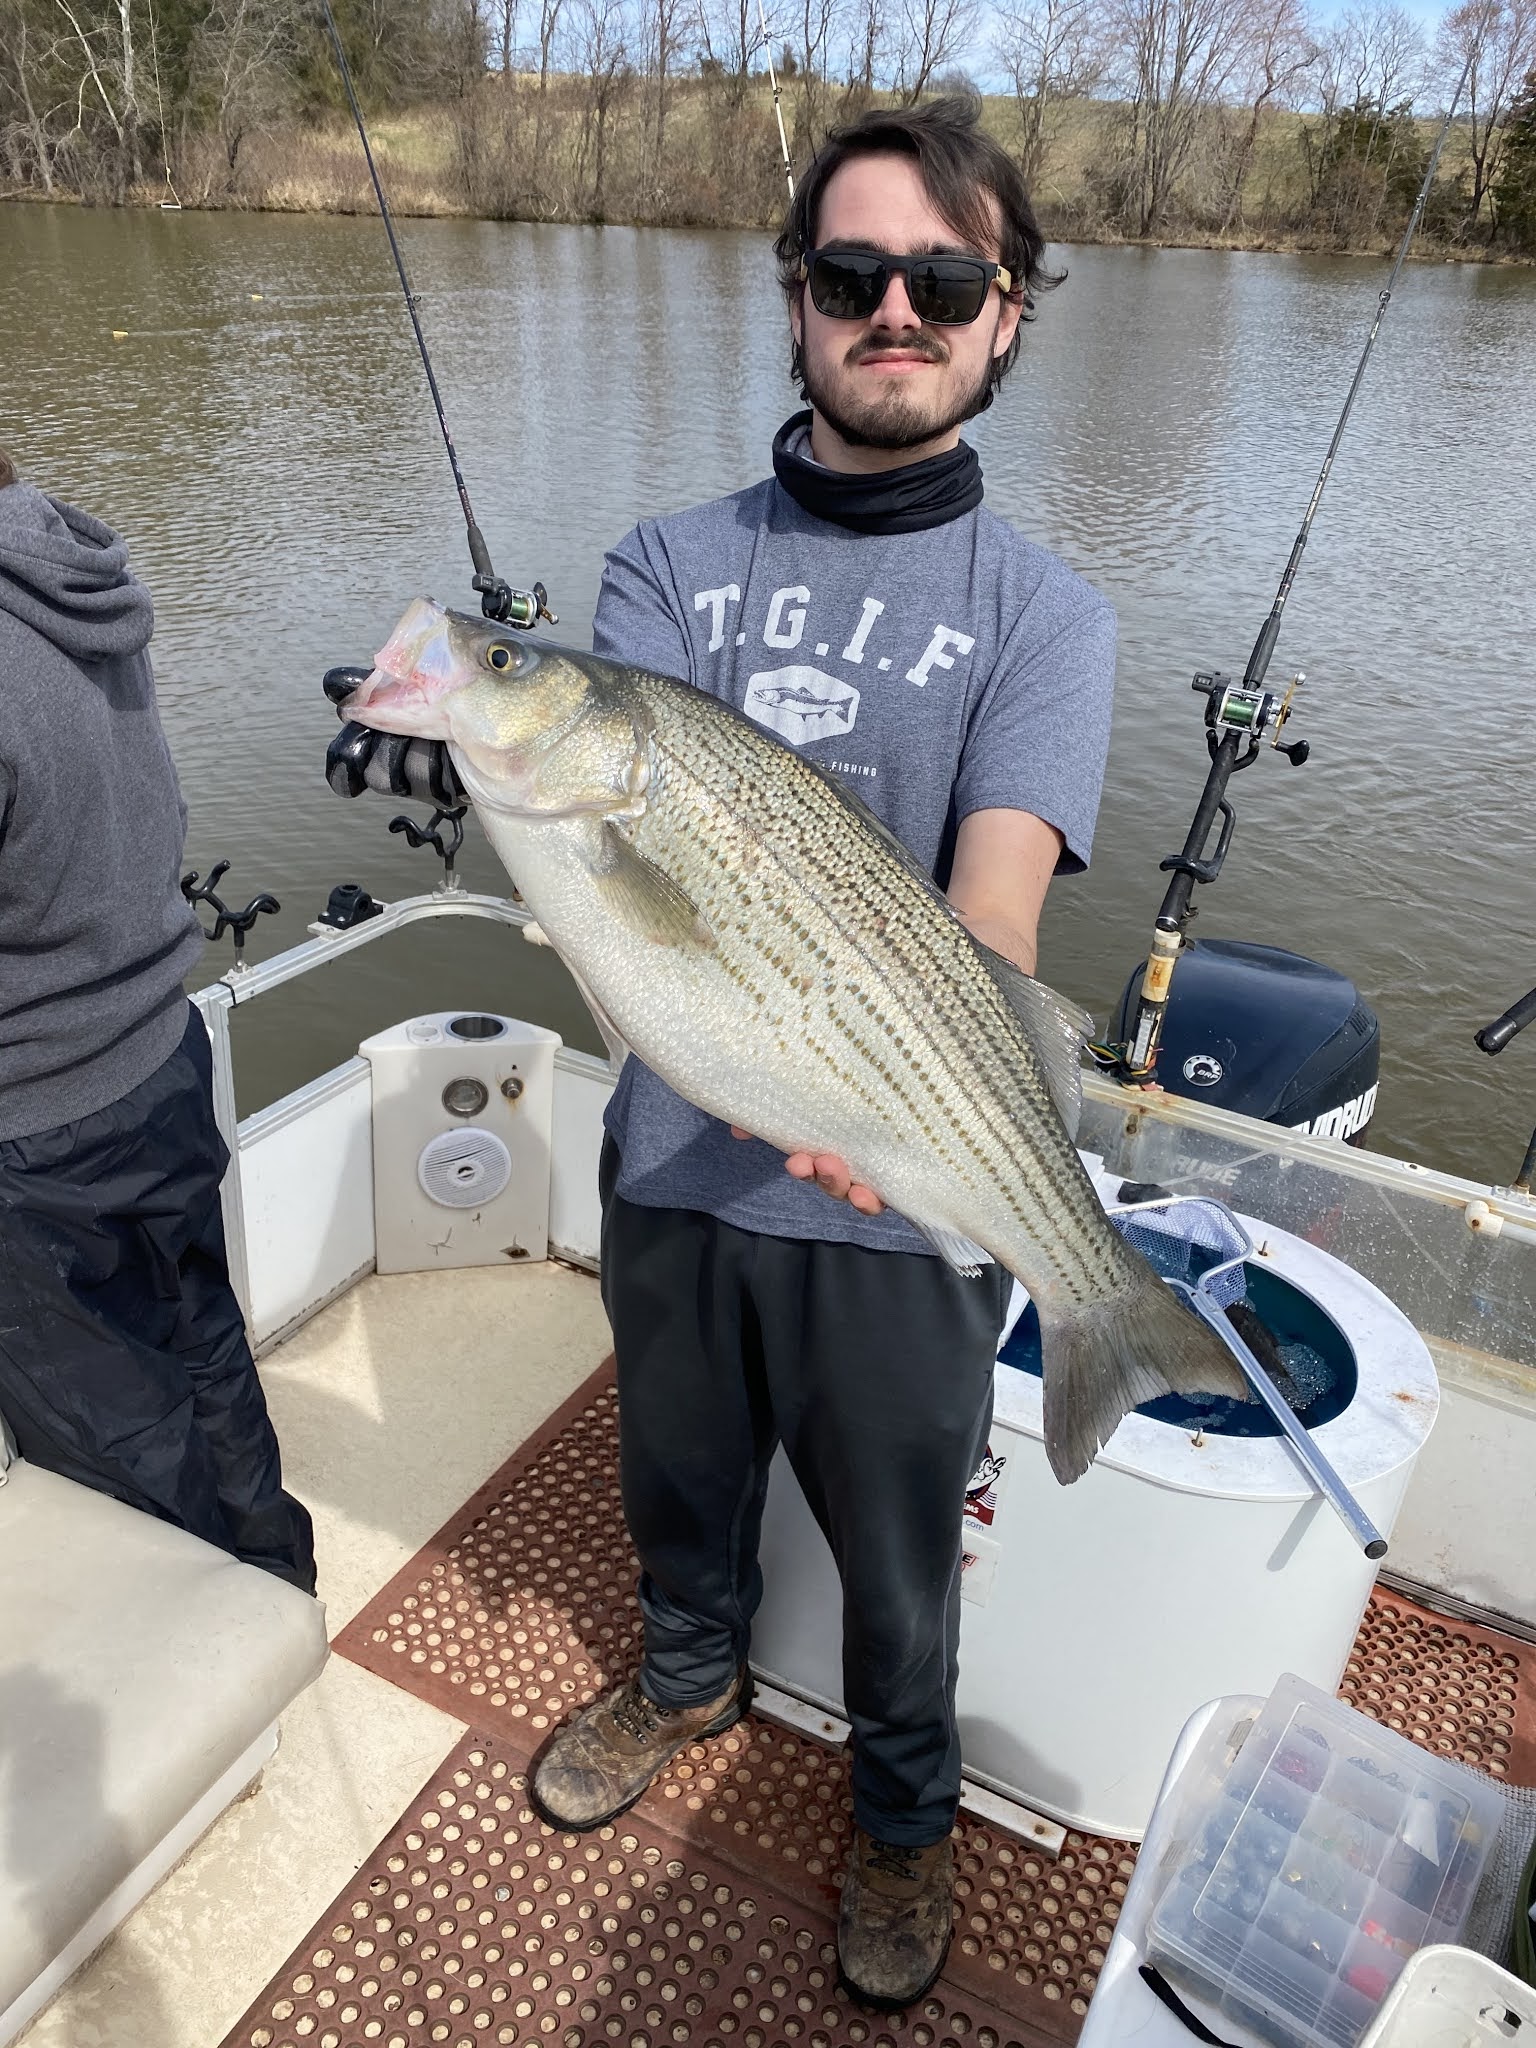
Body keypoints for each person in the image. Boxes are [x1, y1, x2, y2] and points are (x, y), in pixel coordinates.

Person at [327, 94, 1115, 2009]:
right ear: (795, 299)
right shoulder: (664, 569)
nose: (897, 312)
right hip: (684, 1154)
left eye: (945, 279)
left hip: (901, 1172)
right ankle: (684, 1682)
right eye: (855, 274)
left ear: (1007, 316)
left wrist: (900, 1096)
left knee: (902, 1568)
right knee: (676, 1481)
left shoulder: (1048, 614)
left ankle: (902, 1818)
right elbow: (603, 908)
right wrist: (465, 730)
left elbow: (993, 925)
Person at [0, 452, 317, 1596]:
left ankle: (223, 1640)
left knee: (114, 1432)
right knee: (204, 1349)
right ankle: (279, 1576)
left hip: (35, 1131)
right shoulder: (67, 570)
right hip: (162, 1058)